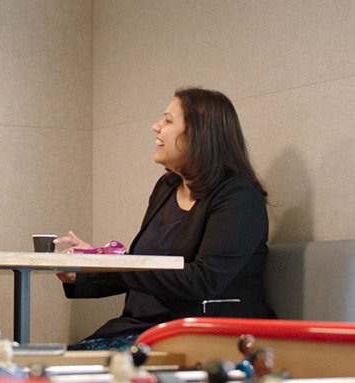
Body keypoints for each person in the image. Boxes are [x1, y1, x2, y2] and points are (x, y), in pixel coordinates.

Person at [56, 87, 274, 350]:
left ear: (200, 133)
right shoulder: (167, 186)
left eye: (168, 121)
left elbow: (202, 281)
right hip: (140, 329)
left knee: (60, 376)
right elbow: (146, 273)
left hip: (202, 335)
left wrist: (107, 265)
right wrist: (83, 273)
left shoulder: (238, 197)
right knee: (41, 370)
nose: (156, 127)